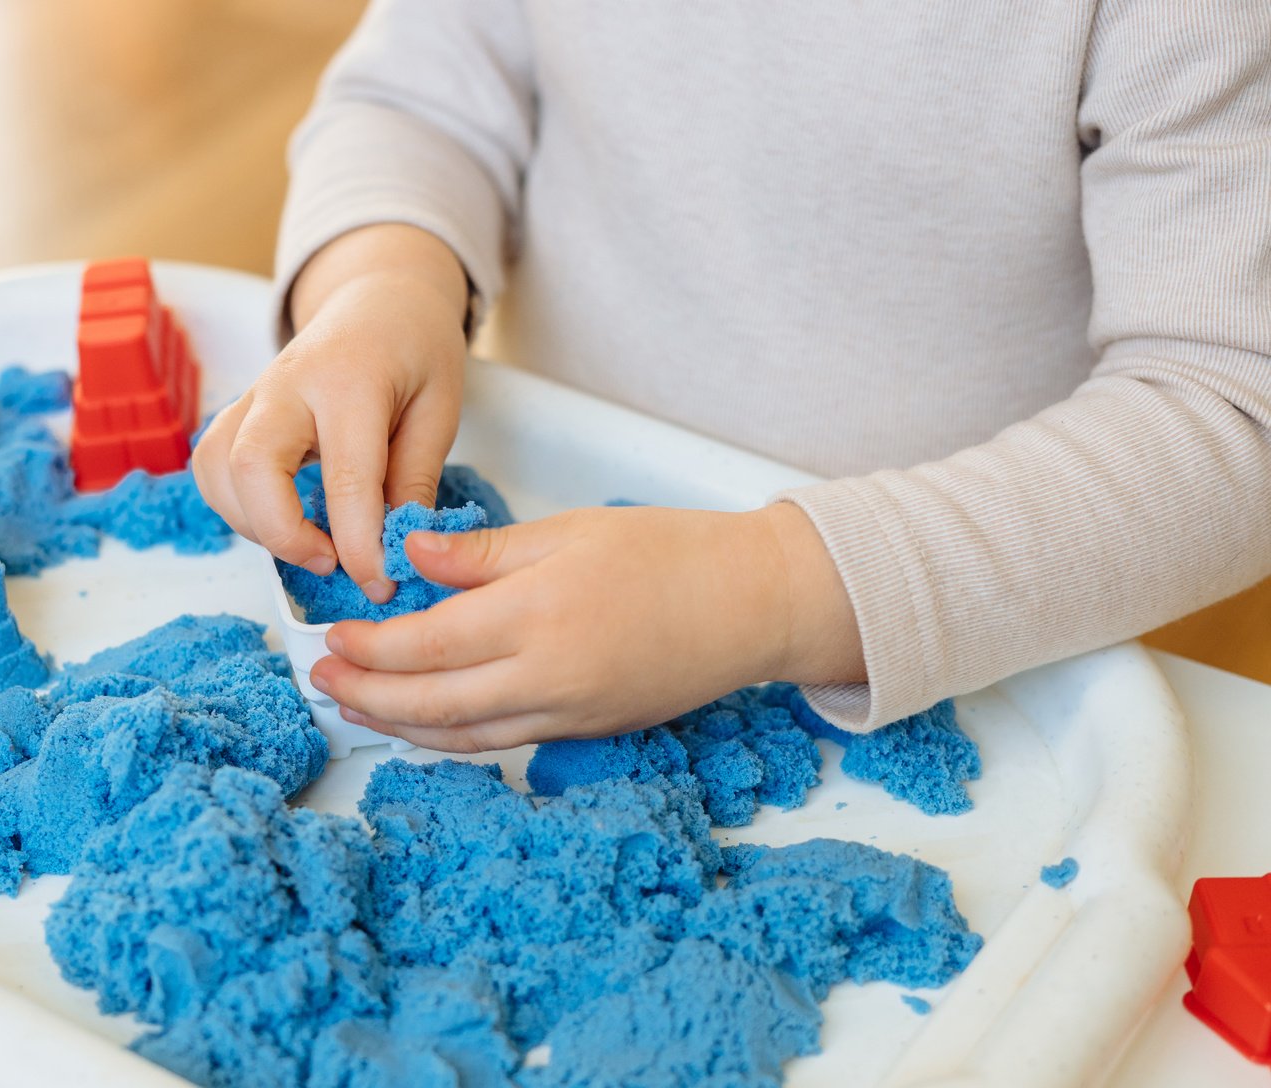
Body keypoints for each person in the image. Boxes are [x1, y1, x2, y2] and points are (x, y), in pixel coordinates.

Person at [192, 0, 1271, 752]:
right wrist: (384, 280)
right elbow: (418, 99)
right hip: (553, 528)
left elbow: (1229, 408)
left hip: (950, 642)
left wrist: (763, 591)